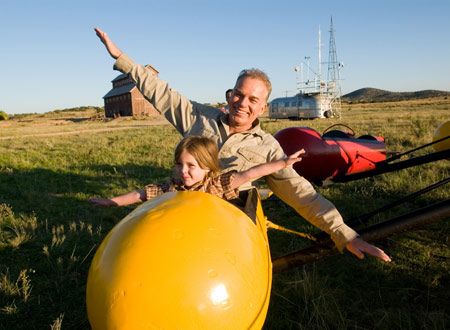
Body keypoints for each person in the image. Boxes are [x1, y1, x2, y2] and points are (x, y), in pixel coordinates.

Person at [94, 28, 391, 262]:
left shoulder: (269, 149)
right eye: (238, 94)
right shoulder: (199, 117)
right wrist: (122, 58)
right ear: (229, 94)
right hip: (185, 206)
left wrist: (343, 233)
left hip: (230, 219)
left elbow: (303, 195)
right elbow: (160, 92)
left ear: (262, 108)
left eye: (253, 99)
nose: (242, 103)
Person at [89, 136, 305, 207]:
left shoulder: (218, 184)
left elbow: (251, 173)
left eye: (191, 166)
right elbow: (141, 194)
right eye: (179, 164)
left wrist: (283, 162)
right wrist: (112, 201)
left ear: (207, 167)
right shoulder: (172, 187)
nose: (184, 171)